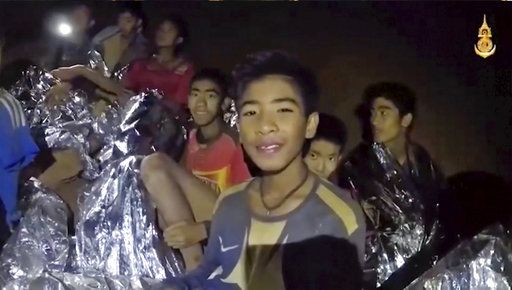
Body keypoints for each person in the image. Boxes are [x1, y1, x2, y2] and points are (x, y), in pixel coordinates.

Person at [163, 51, 366, 290]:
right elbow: (210, 272)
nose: (265, 125)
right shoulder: (230, 202)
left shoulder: (337, 219)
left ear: (310, 125)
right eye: (251, 112)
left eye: (283, 111)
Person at [140, 68, 251, 271]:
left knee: (154, 162)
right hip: (201, 227)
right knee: (149, 188)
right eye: (195, 94)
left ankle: (195, 265)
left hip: (230, 229)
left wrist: (202, 230)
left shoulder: (236, 145)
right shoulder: (189, 138)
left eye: (210, 95)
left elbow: (247, 212)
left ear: (224, 103)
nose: (200, 103)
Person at [340, 82, 445, 289]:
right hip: (377, 276)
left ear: (405, 119)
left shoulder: (423, 163)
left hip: (423, 272)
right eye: (372, 113)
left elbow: (440, 213)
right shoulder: (357, 166)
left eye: (383, 113)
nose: (374, 121)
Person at [51, 15, 194, 112]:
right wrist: (82, 70)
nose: (163, 33)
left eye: (169, 30)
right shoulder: (142, 65)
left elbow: (179, 105)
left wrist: (148, 100)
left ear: (179, 39)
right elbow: (120, 89)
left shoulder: (184, 69)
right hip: (134, 118)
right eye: (161, 29)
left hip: (163, 126)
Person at [92, 3, 148, 75]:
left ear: (138, 22)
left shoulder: (143, 47)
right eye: (120, 19)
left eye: (128, 21)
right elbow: (93, 53)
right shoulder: (106, 35)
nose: (122, 24)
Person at [45, 2, 95, 70]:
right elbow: (48, 63)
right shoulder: (57, 42)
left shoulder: (93, 47)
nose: (77, 18)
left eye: (83, 15)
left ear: (90, 23)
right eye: (75, 14)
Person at [304, 112, 347, 181]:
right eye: (313, 155)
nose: (320, 168)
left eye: (331, 159)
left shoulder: (334, 191)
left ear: (339, 160)